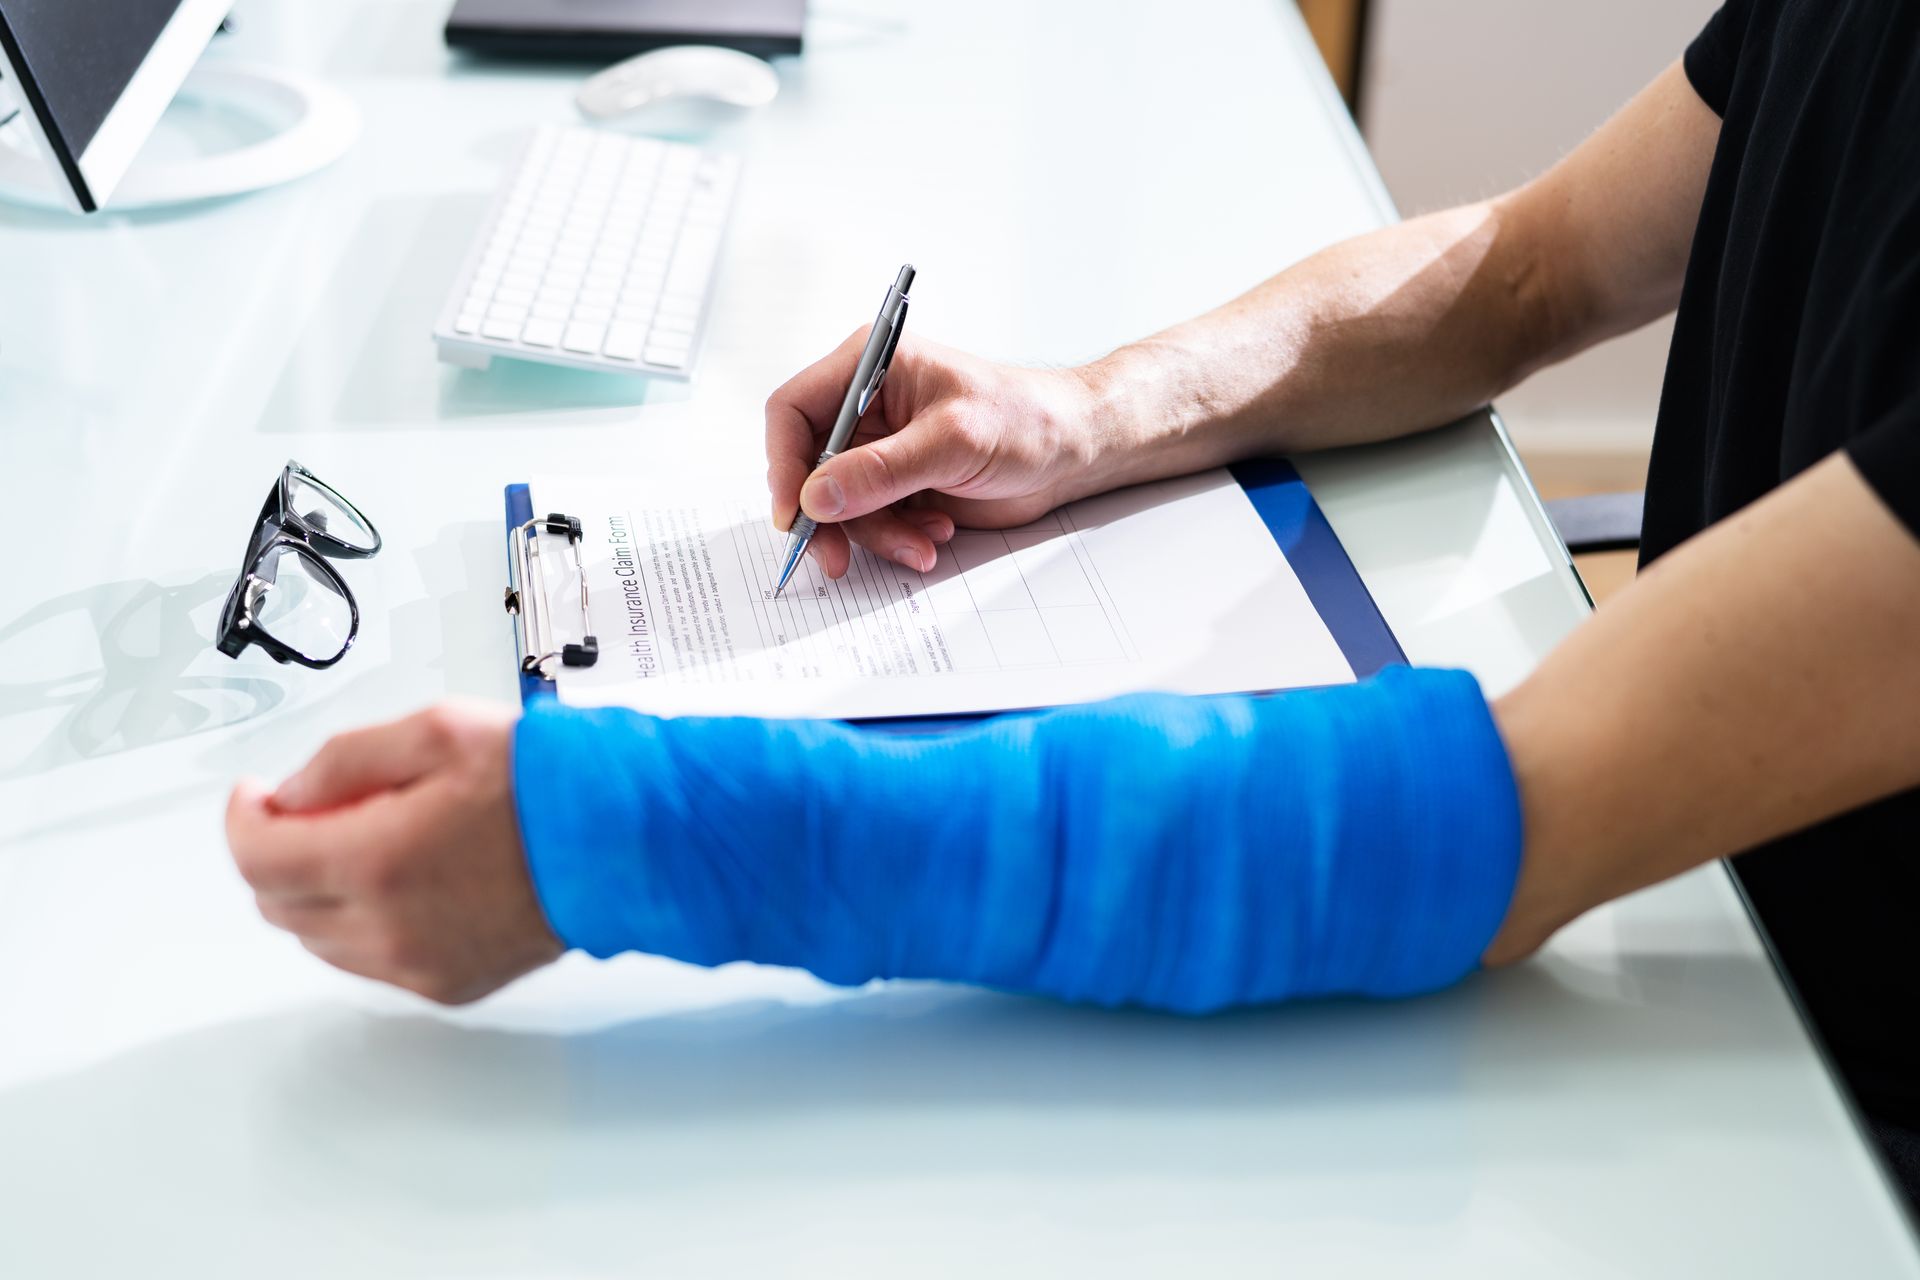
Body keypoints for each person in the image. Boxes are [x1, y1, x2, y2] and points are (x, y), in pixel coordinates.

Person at [228, 1, 1920, 1200]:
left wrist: (627, 833)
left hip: (1811, 1146)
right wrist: (1088, 414)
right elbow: (1533, 264)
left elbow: (1498, 818)